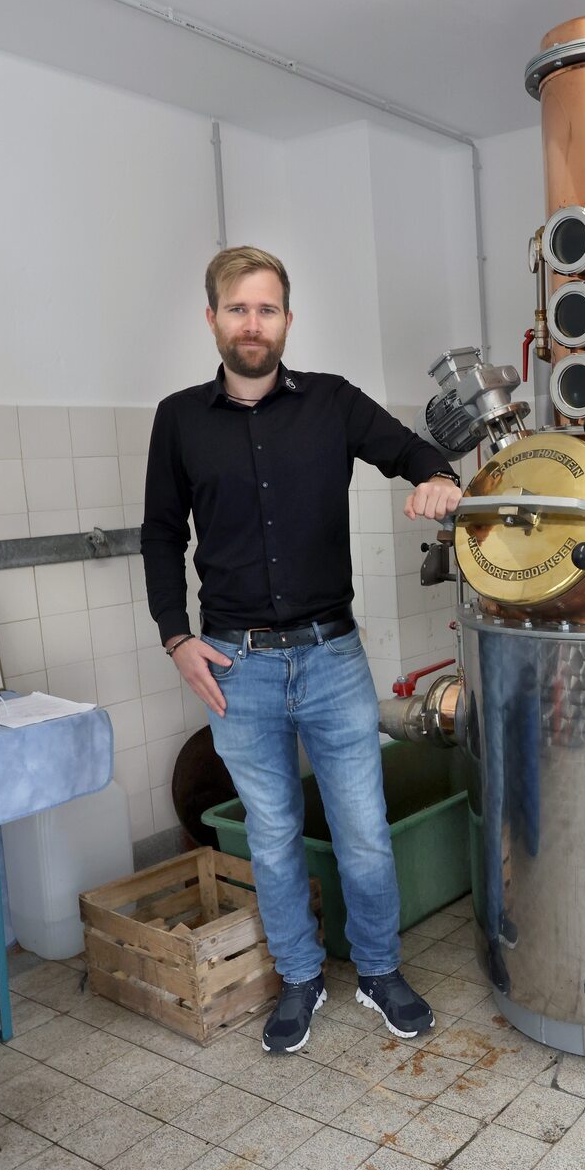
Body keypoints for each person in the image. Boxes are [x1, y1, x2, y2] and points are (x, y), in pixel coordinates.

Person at [142, 246, 463, 1053]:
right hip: (235, 664)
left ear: (287, 320)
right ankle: (300, 978)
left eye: (267, 309)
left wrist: (437, 478)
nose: (253, 324)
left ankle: (380, 971)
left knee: (363, 832)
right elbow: (159, 536)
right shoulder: (178, 419)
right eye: (238, 309)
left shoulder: (333, 403)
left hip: (331, 658)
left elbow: (413, 452)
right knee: (274, 836)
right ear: (212, 319)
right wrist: (176, 638)